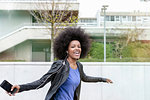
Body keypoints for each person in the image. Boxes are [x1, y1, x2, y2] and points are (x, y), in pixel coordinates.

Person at [8, 27, 113, 100]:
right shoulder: (60, 65)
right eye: (73, 46)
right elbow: (41, 82)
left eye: (79, 46)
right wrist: (20, 88)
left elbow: (85, 78)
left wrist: (102, 79)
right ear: (66, 50)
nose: (77, 49)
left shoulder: (79, 66)